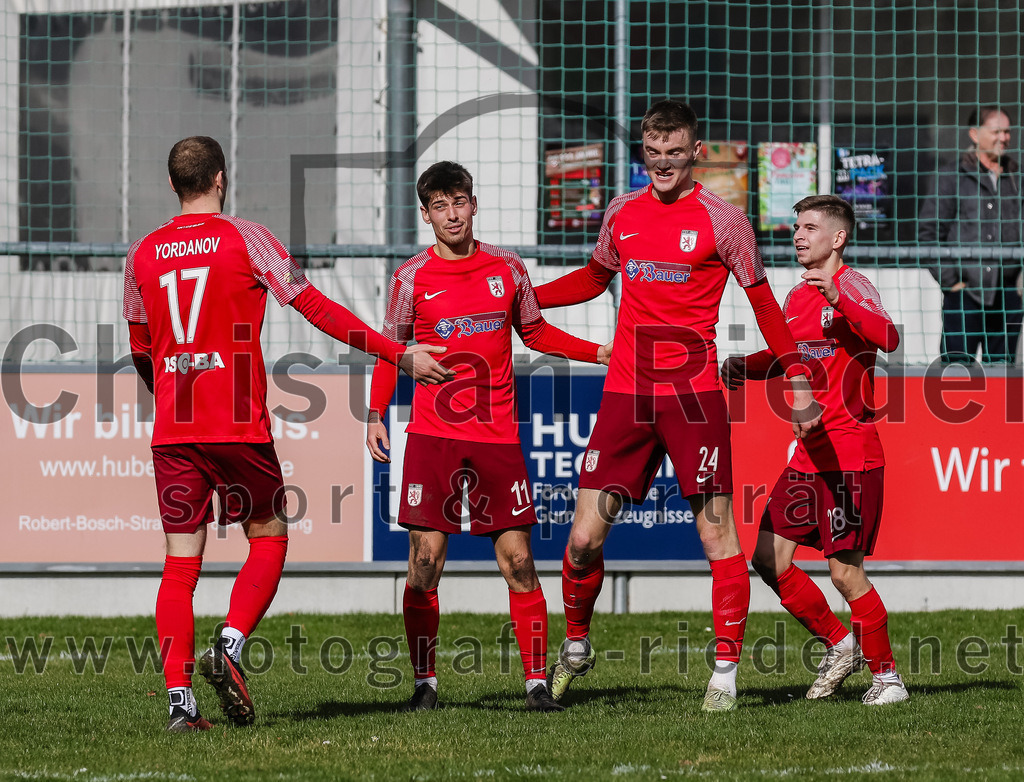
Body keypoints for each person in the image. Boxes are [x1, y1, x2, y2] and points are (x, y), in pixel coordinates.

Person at [123, 136, 453, 733]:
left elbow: (141, 350)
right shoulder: (248, 238)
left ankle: (179, 704)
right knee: (269, 536)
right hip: (236, 424)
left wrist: (172, 392)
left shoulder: (142, 254)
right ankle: (229, 644)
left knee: (179, 565)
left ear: (173, 185)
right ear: (221, 178)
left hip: (174, 428)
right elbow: (316, 307)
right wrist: (397, 353)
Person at [533, 100, 822, 712]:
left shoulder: (724, 220)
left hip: (694, 401)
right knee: (583, 539)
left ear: (696, 153)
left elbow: (765, 306)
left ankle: (723, 676)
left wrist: (796, 378)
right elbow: (592, 278)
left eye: (674, 153)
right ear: (644, 154)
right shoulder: (622, 212)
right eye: (652, 153)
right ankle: (577, 645)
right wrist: (525, 296)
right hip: (625, 396)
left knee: (718, 535)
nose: (662, 163)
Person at [365, 161, 611, 713]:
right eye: (440, 205)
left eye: (460, 202)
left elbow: (536, 329)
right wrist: (376, 412)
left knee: (519, 561)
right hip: (433, 436)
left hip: (497, 437)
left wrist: (597, 351)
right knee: (424, 562)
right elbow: (391, 346)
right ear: (426, 214)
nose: (452, 214)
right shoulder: (410, 277)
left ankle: (535, 685)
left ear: (473, 204)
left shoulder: (506, 266)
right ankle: (424, 684)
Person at [723, 195, 909, 705]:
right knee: (766, 557)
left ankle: (888, 679)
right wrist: (748, 365)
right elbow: (791, 356)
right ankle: (838, 642)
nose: (798, 236)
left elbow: (889, 337)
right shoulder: (796, 297)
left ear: (838, 237)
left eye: (809, 227)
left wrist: (840, 300)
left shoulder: (852, 285)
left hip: (851, 458)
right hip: (808, 458)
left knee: (845, 573)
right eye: (796, 227)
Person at [919, 106, 1024, 364]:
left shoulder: (1017, 177)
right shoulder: (951, 177)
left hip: (1009, 294)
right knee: (957, 372)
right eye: (996, 131)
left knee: (1002, 375)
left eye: (1007, 131)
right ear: (975, 134)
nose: (1004, 137)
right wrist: (950, 281)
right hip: (965, 293)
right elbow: (928, 231)